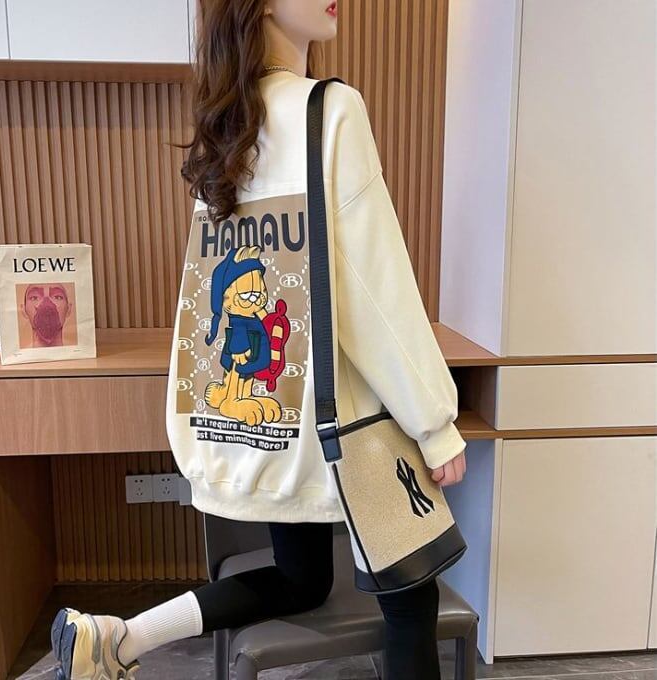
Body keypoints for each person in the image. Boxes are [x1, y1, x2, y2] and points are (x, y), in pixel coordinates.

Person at [49, 1, 467, 679]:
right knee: (410, 596)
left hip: (270, 414)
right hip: (345, 414)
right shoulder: (330, 109)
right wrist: (434, 421)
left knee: (301, 580)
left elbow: (205, 293)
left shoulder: (226, 130)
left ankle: (119, 638)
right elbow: (371, 287)